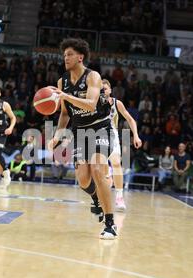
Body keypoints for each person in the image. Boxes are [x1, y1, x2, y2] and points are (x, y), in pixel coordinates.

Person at [48, 38, 117, 239]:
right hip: (80, 132)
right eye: (64, 55)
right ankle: (96, 198)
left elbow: (91, 105)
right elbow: (64, 114)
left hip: (100, 128)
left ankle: (110, 223)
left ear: (80, 57)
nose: (65, 58)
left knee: (96, 169)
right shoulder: (63, 81)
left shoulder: (92, 76)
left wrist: (66, 96)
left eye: (69, 54)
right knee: (83, 179)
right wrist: (57, 136)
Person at [102, 79, 142, 210]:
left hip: (112, 135)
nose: (103, 90)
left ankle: (119, 197)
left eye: (106, 88)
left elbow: (130, 119)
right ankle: (106, 177)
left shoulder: (116, 103)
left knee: (116, 163)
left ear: (110, 90)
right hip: (95, 135)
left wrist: (135, 135)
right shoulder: (93, 102)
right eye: (101, 88)